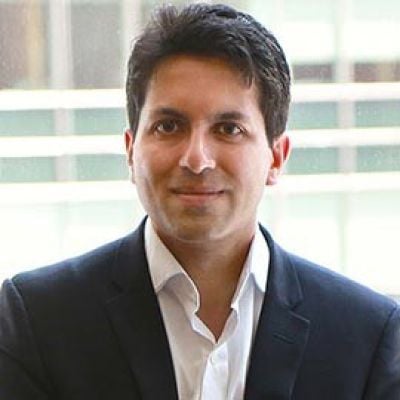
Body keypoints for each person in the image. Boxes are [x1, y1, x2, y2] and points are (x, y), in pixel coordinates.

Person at [1, 3, 399, 399]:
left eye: (228, 129)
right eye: (168, 126)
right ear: (130, 149)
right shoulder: (38, 320)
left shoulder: (366, 336)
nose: (196, 159)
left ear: (276, 157)